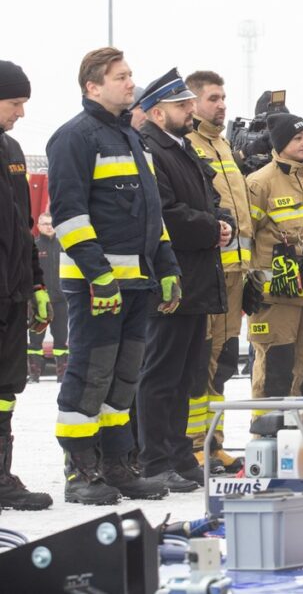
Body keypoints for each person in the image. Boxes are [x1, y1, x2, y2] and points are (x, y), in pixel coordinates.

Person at [48, 47, 180, 504]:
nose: (130, 83)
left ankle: (117, 466)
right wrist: (98, 275)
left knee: (124, 379)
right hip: (96, 287)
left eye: (130, 76)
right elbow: (68, 216)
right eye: (121, 77)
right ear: (92, 86)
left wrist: (167, 268)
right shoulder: (74, 138)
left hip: (137, 284)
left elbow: (152, 215)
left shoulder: (132, 139)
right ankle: (80, 471)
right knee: (90, 375)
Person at [136, 68, 230, 491]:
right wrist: (213, 228)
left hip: (195, 277)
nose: (191, 110)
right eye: (182, 105)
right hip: (170, 279)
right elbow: (166, 213)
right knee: (160, 374)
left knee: (185, 374)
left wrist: (221, 222)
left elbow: (209, 199)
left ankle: (177, 454)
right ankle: (154, 460)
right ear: (158, 113)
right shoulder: (152, 150)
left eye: (191, 102)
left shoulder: (182, 148)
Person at [183, 70, 249, 474]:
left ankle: (214, 441)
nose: (221, 105)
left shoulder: (225, 146)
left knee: (223, 361)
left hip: (236, 273)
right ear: (193, 103)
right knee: (201, 362)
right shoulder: (188, 146)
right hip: (207, 272)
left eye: (223, 97)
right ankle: (191, 444)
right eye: (213, 98)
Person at [247, 113, 303, 401]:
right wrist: (247, 281)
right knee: (276, 371)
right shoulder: (260, 183)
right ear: (280, 142)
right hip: (277, 297)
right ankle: (267, 434)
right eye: (297, 138)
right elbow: (246, 235)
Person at [0, 60, 53, 510]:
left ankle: (0, 474)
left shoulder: (13, 151)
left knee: (5, 387)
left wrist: (36, 283)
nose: (20, 112)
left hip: (13, 293)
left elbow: (23, 227)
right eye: (14, 102)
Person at [28, 212, 69, 383]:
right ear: (38, 226)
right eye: (45, 224)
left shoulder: (63, 246)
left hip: (61, 300)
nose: (49, 227)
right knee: (35, 339)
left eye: (51, 223)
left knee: (61, 338)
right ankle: (34, 375)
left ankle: (62, 375)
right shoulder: (35, 247)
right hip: (40, 301)